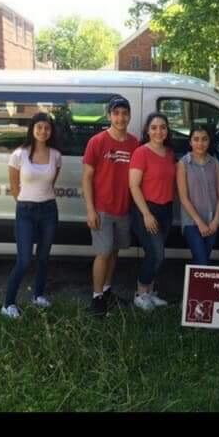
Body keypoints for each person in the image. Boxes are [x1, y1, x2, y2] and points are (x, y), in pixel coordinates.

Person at [82, 97, 139, 316]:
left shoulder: (134, 144)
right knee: (103, 253)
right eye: (116, 113)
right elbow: (86, 177)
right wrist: (90, 209)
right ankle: (96, 299)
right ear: (109, 116)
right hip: (102, 209)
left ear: (129, 116)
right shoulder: (97, 141)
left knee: (114, 252)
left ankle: (107, 291)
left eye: (124, 113)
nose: (120, 118)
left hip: (123, 209)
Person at [1, 113, 62, 319]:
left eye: (47, 128)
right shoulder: (19, 155)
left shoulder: (56, 155)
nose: (43, 131)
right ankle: (8, 304)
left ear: (51, 131)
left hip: (49, 210)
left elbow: (50, 183)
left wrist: (41, 200)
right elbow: (14, 187)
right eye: (39, 127)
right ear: (32, 129)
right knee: (24, 260)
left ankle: (38, 295)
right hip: (25, 211)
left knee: (43, 257)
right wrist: (26, 203)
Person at [129, 113, 177, 311]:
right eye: (154, 127)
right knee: (156, 254)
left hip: (166, 210)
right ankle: (140, 294)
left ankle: (149, 292)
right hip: (146, 210)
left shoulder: (170, 153)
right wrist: (147, 214)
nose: (159, 131)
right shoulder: (141, 153)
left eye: (163, 127)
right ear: (147, 131)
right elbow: (134, 186)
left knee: (156, 253)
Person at [176, 124, 219, 264]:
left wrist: (216, 220)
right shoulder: (183, 164)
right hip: (192, 222)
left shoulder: (215, 163)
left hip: (212, 221)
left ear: (209, 141)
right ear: (190, 142)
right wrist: (199, 223)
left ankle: (192, 279)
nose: (200, 143)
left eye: (204, 139)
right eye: (196, 139)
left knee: (202, 262)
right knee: (202, 261)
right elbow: (183, 198)